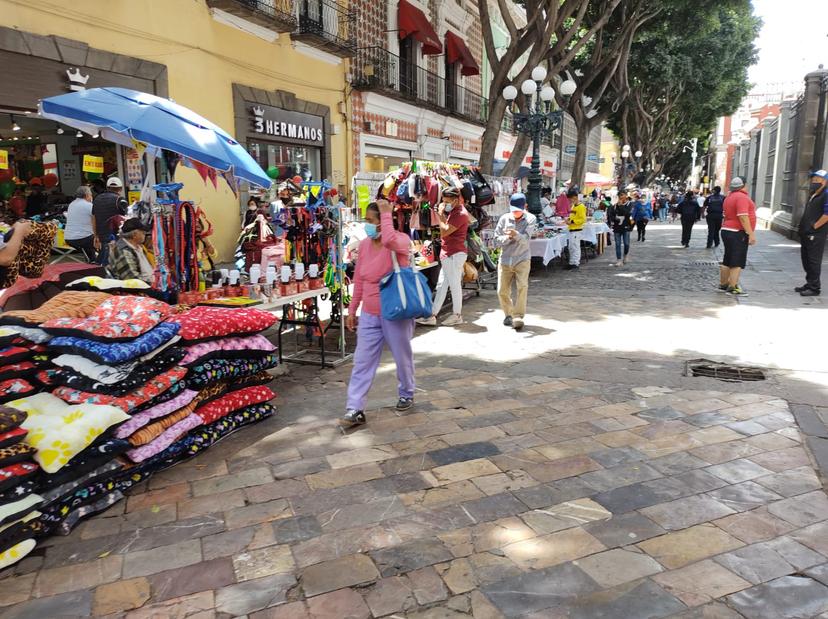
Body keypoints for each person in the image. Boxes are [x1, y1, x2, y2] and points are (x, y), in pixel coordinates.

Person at [342, 199, 415, 426]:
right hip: (370, 314)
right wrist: (352, 309)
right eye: (366, 220)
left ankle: (407, 392)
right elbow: (360, 279)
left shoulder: (400, 240)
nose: (367, 225)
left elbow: (391, 240)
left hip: (395, 311)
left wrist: (386, 215)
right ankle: (354, 408)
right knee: (362, 361)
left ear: (384, 221)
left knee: (402, 357)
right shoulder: (364, 245)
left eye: (371, 220)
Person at [418, 186, 469, 327]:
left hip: (454, 254)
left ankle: (457, 315)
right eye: (443, 201)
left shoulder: (460, 214)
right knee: (442, 285)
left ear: (455, 200)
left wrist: (440, 214)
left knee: (454, 285)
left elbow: (445, 232)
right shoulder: (454, 211)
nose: (444, 204)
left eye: (447, 201)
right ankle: (432, 315)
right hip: (449, 253)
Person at [494, 193, 537, 331]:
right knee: (502, 290)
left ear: (524, 207)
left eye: (518, 210)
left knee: (522, 286)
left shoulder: (530, 219)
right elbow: (496, 239)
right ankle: (508, 314)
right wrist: (507, 238)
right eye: (513, 210)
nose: (515, 213)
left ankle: (518, 316)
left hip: (522, 258)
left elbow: (526, 240)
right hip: (505, 258)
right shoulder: (504, 219)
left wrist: (516, 234)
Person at [719, 177, 756, 296]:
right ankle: (733, 287)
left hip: (727, 229)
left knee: (727, 259)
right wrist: (750, 234)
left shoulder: (729, 197)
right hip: (737, 231)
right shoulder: (742, 197)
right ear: (744, 185)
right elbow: (743, 216)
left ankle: (723, 284)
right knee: (737, 260)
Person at [796, 170, 828, 297]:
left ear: (825, 181)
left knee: (814, 261)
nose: (814, 182)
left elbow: (827, 215)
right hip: (806, 233)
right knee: (807, 259)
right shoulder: (814, 194)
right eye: (813, 180)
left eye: (817, 180)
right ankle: (809, 283)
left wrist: (815, 226)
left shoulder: (826, 194)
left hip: (816, 234)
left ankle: (815, 287)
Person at [93, 177, 128, 266]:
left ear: (107, 188)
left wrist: (96, 235)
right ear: (120, 189)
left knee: (105, 254)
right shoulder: (120, 200)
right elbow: (126, 217)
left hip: (101, 233)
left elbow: (93, 218)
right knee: (109, 259)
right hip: (114, 234)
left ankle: (98, 267)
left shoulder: (97, 199)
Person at [109, 218, 154, 284]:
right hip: (139, 289)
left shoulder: (139, 247)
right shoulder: (123, 250)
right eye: (143, 232)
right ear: (134, 235)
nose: (145, 234)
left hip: (148, 285)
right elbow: (132, 280)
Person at [63, 185, 97, 262]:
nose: (92, 197)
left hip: (69, 238)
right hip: (84, 238)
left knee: (89, 248)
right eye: (91, 195)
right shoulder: (89, 205)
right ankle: (97, 263)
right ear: (87, 195)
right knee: (103, 240)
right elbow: (97, 219)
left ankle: (92, 261)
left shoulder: (71, 204)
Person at [608, 190, 633, 266]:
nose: (621, 197)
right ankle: (619, 260)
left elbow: (628, 214)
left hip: (626, 226)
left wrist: (621, 206)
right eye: (619, 196)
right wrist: (615, 219)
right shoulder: (615, 206)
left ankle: (625, 255)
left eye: (622, 195)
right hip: (617, 227)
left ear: (626, 195)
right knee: (618, 244)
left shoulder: (630, 204)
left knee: (626, 243)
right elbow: (611, 215)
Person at [566, 188, 586, 270]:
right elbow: (573, 216)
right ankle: (572, 263)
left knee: (575, 247)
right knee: (571, 247)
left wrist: (572, 221)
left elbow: (582, 219)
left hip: (576, 230)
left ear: (575, 197)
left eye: (571, 198)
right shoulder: (574, 206)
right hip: (572, 229)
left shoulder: (581, 207)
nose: (570, 200)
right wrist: (569, 220)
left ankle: (575, 263)